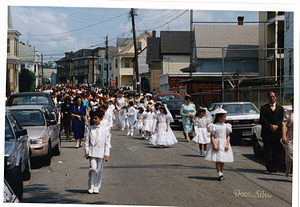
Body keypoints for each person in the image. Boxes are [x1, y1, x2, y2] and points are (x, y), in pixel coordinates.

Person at [85, 110, 111, 194]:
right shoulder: (89, 129)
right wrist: (86, 152)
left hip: (101, 152)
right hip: (92, 152)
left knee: (99, 170)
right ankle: (91, 185)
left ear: (101, 118)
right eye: (93, 118)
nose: (94, 120)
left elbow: (107, 143)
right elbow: (86, 142)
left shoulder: (105, 129)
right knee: (93, 168)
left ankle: (97, 186)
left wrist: (107, 154)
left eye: (96, 118)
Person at [204, 108, 234, 181]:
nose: (225, 118)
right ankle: (219, 173)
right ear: (219, 117)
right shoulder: (214, 126)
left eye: (225, 117)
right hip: (217, 143)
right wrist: (214, 145)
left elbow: (228, 136)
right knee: (217, 159)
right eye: (223, 117)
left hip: (223, 143)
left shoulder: (226, 126)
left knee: (222, 159)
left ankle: (221, 171)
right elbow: (212, 136)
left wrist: (227, 144)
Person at [259, 91, 284, 173]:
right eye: (270, 97)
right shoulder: (264, 108)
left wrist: (276, 126)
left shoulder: (280, 108)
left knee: (276, 151)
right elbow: (262, 119)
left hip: (277, 134)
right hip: (267, 133)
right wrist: (270, 126)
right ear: (268, 98)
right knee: (267, 151)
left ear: (275, 97)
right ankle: (269, 167)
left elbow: (282, 120)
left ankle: (274, 167)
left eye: (273, 96)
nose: (272, 98)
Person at [282, 97, 294, 180]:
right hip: (290, 137)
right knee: (290, 156)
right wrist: (283, 136)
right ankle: (288, 170)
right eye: (293, 103)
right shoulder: (288, 113)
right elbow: (284, 124)